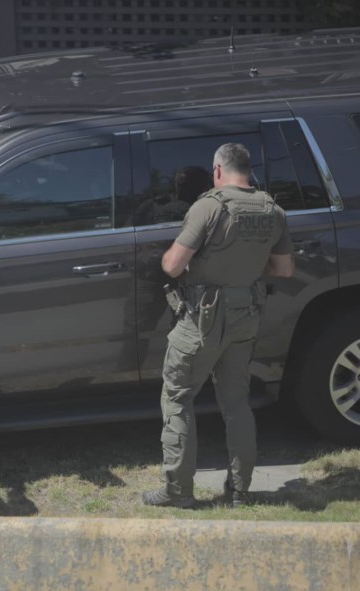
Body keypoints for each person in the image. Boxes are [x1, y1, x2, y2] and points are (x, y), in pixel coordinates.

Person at [143, 143, 295, 509]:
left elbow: (174, 266)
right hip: (247, 314)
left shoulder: (209, 206)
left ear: (217, 170)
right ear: (248, 168)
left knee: (178, 397)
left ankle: (177, 491)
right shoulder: (273, 210)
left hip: (203, 317)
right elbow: (285, 270)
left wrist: (165, 256)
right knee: (237, 403)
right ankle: (240, 491)